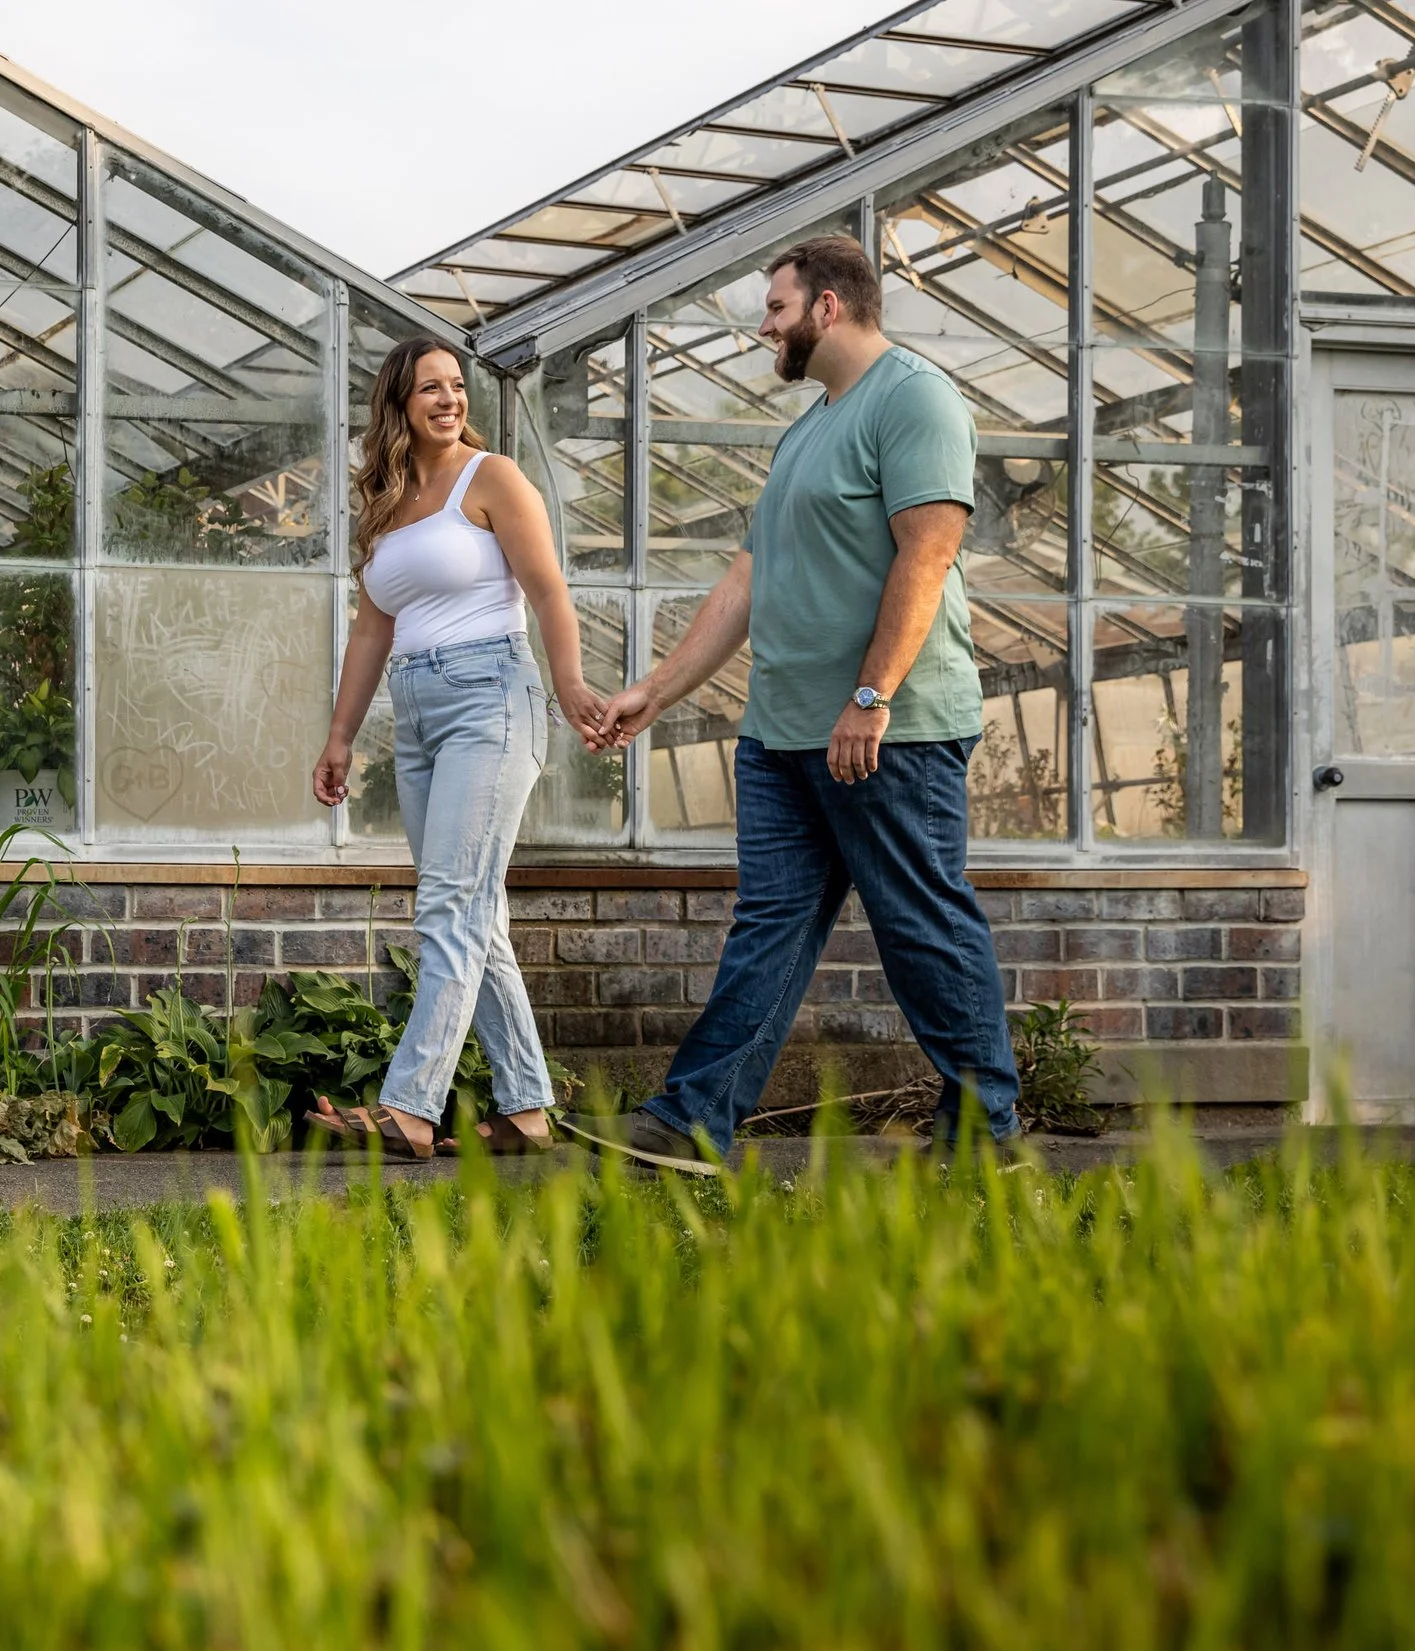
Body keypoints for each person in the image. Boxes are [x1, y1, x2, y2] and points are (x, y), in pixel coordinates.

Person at [592, 235, 1020, 1161]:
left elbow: (928, 552)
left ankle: (990, 1131)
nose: (765, 326)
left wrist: (870, 696)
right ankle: (690, 1119)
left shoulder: (915, 398)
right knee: (770, 930)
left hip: (885, 733)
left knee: (921, 924)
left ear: (828, 307)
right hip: (782, 735)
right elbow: (748, 579)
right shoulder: (807, 429)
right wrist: (655, 692)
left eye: (776, 308)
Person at [307, 339, 605, 1159]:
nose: (450, 400)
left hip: (491, 699)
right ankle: (526, 1107)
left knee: (447, 902)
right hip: (417, 713)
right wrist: (340, 736)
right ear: (400, 405)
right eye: (431, 389)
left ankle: (410, 1105)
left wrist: (571, 683)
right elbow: (372, 627)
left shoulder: (493, 478)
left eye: (457, 387)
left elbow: (547, 588)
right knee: (477, 913)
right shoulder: (390, 502)